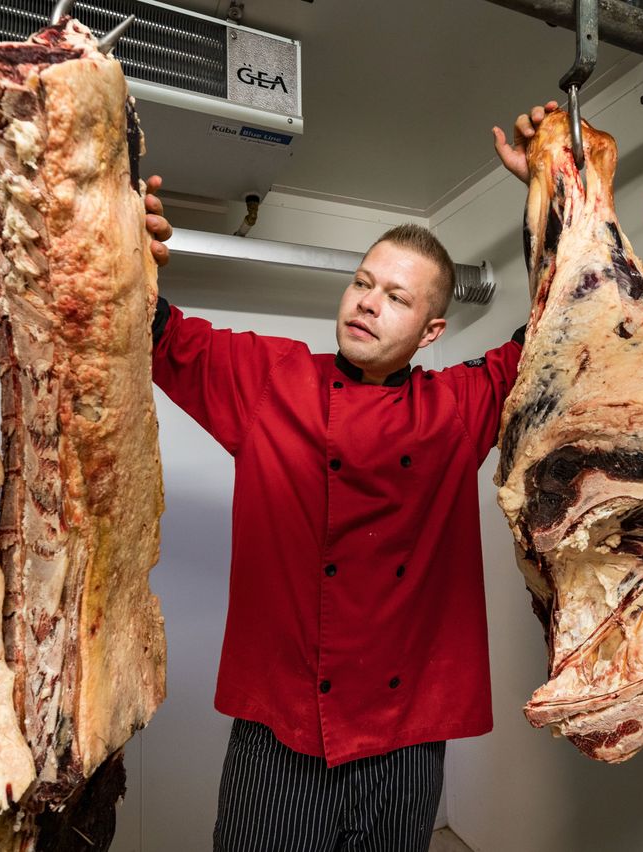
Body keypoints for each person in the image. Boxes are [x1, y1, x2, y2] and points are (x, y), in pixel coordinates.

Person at [141, 101, 557, 852]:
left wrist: (551, 191)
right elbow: (155, 330)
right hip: (280, 736)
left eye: (397, 297)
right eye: (364, 283)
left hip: (404, 740)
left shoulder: (457, 407)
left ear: (433, 330)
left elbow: (558, 325)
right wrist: (117, 240)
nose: (368, 302)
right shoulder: (270, 380)